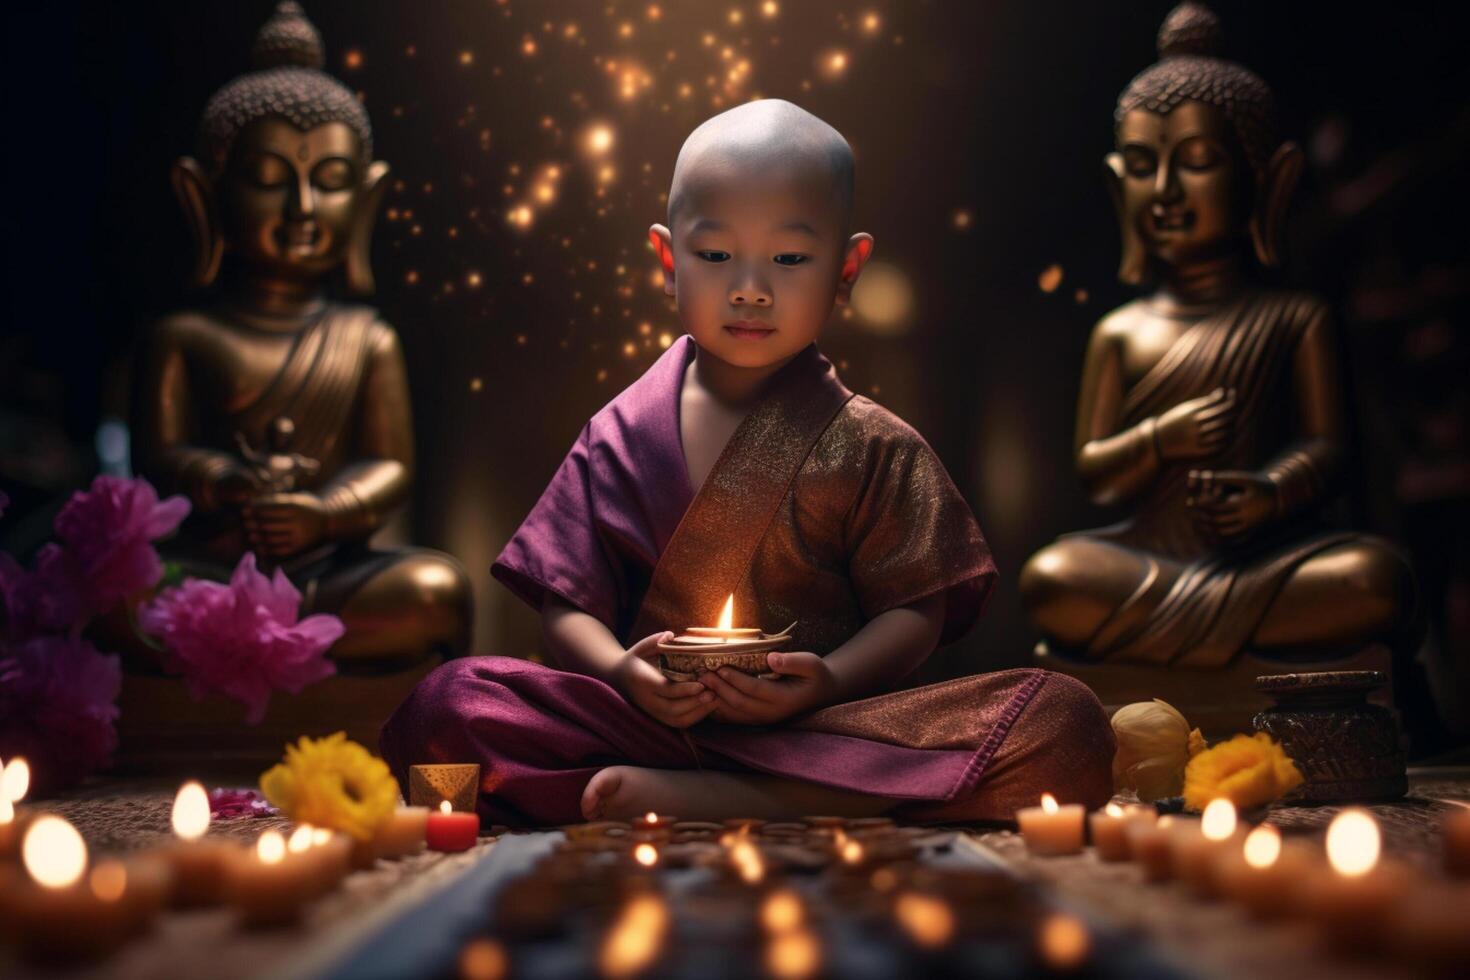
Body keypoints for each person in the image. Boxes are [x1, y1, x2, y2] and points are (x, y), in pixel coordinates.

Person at [381, 99, 1113, 825]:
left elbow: (916, 610)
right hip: (648, 728)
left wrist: (826, 681)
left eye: (791, 259)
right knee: (447, 706)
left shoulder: (870, 442)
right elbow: (566, 603)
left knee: (1063, 722)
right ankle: (777, 796)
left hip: (825, 732)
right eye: (715, 255)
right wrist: (619, 672)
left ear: (847, 268)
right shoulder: (621, 432)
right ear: (668, 260)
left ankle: (748, 797)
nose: (751, 287)